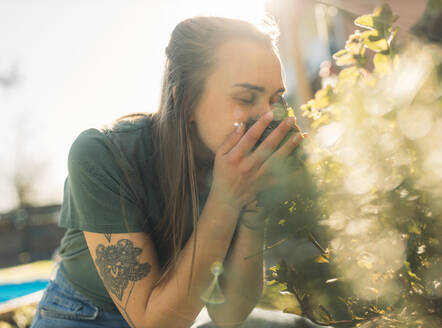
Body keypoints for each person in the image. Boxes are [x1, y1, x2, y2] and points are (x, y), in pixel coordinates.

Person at [31, 16, 321, 328]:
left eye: (275, 99)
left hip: (179, 315)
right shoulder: (102, 154)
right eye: (246, 97)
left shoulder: (233, 165)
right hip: (83, 318)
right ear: (185, 102)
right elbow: (153, 324)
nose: (267, 116)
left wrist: (253, 205)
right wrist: (226, 198)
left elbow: (229, 313)